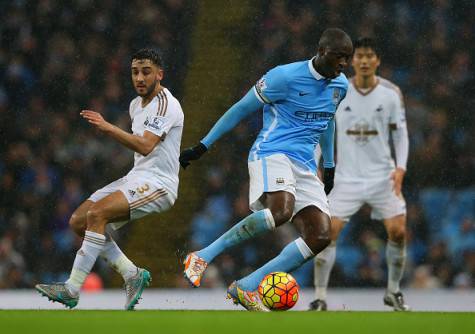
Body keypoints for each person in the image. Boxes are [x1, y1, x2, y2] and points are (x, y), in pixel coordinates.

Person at [179, 28, 353, 311]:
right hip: (272, 152)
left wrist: (330, 166)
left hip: (306, 164)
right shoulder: (282, 77)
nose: (344, 64)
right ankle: (202, 255)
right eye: (339, 57)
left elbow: (327, 120)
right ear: (322, 52)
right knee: (281, 212)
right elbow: (240, 108)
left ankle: (247, 286)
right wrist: (203, 146)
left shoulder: (340, 86)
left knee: (320, 235)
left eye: (348, 58)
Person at [35, 49, 184, 310]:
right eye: (135, 72)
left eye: (146, 72)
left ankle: (71, 288)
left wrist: (108, 127)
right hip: (136, 178)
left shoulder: (166, 103)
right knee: (79, 221)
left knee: (97, 215)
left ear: (160, 74)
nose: (139, 78)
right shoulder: (135, 105)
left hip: (160, 184)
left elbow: (146, 145)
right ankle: (131, 274)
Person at [309, 37, 410, 311]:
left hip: (383, 176)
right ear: (352, 61)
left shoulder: (390, 93)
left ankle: (393, 291)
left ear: (377, 61)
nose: (364, 61)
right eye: (359, 56)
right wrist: (316, 165)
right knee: (327, 234)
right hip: (346, 177)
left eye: (369, 56)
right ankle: (319, 297)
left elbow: (400, 136)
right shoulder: (337, 90)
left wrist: (400, 169)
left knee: (398, 232)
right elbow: (321, 131)